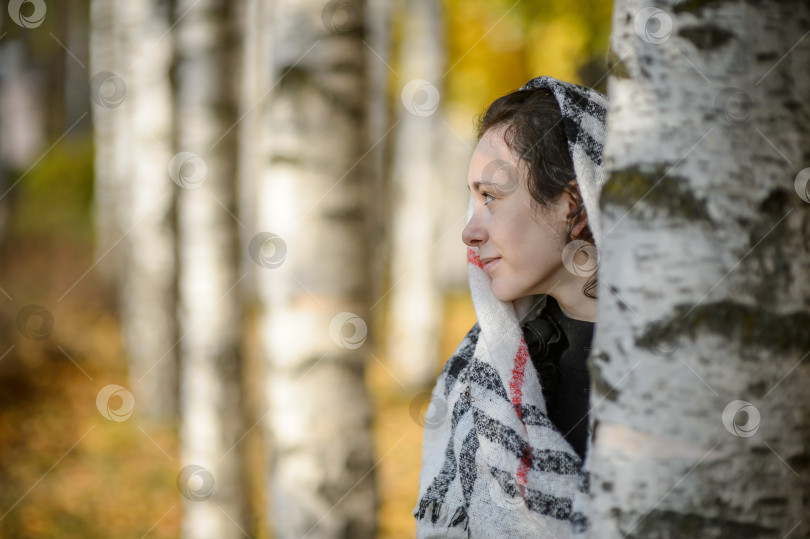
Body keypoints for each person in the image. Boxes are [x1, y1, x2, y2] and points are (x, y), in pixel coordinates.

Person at [413, 76, 608, 538]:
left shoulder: (688, 368)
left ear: (574, 206)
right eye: (473, 199)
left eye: (492, 198)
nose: (469, 231)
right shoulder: (479, 379)